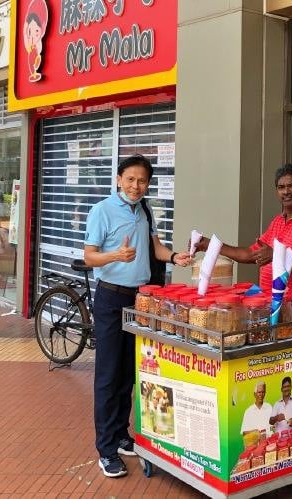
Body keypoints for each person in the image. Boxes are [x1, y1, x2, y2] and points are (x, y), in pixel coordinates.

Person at [83, 155, 191, 478]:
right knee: (108, 375)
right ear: (119, 179)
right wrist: (117, 254)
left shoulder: (145, 210)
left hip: (141, 300)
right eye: (130, 179)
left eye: (142, 181)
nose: (135, 186)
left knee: (131, 372)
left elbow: (155, 247)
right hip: (111, 298)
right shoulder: (101, 210)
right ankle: (105, 448)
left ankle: (120, 435)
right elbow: (89, 256)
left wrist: (174, 256)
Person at [195, 164, 292, 309]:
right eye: (281, 187)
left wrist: (277, 255)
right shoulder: (278, 221)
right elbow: (251, 254)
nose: (286, 191)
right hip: (270, 307)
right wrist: (210, 245)